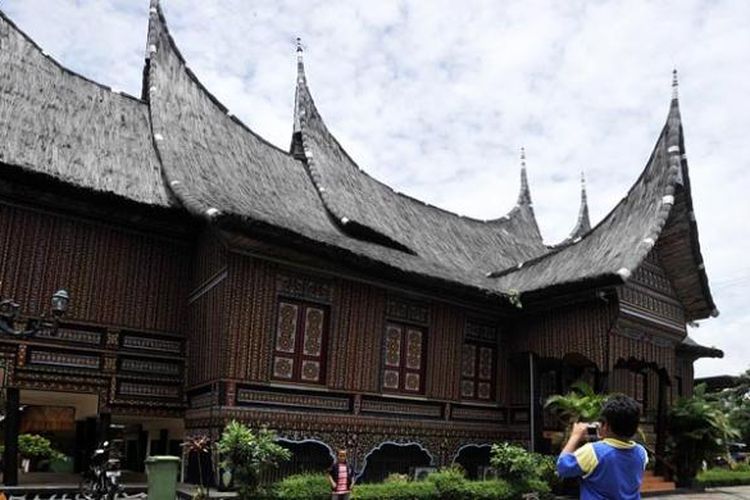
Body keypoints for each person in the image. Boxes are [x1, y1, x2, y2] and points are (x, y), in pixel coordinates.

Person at [557, 394, 648, 499]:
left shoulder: (593, 451)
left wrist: (575, 436)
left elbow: (562, 467)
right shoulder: (642, 453)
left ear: (607, 426)